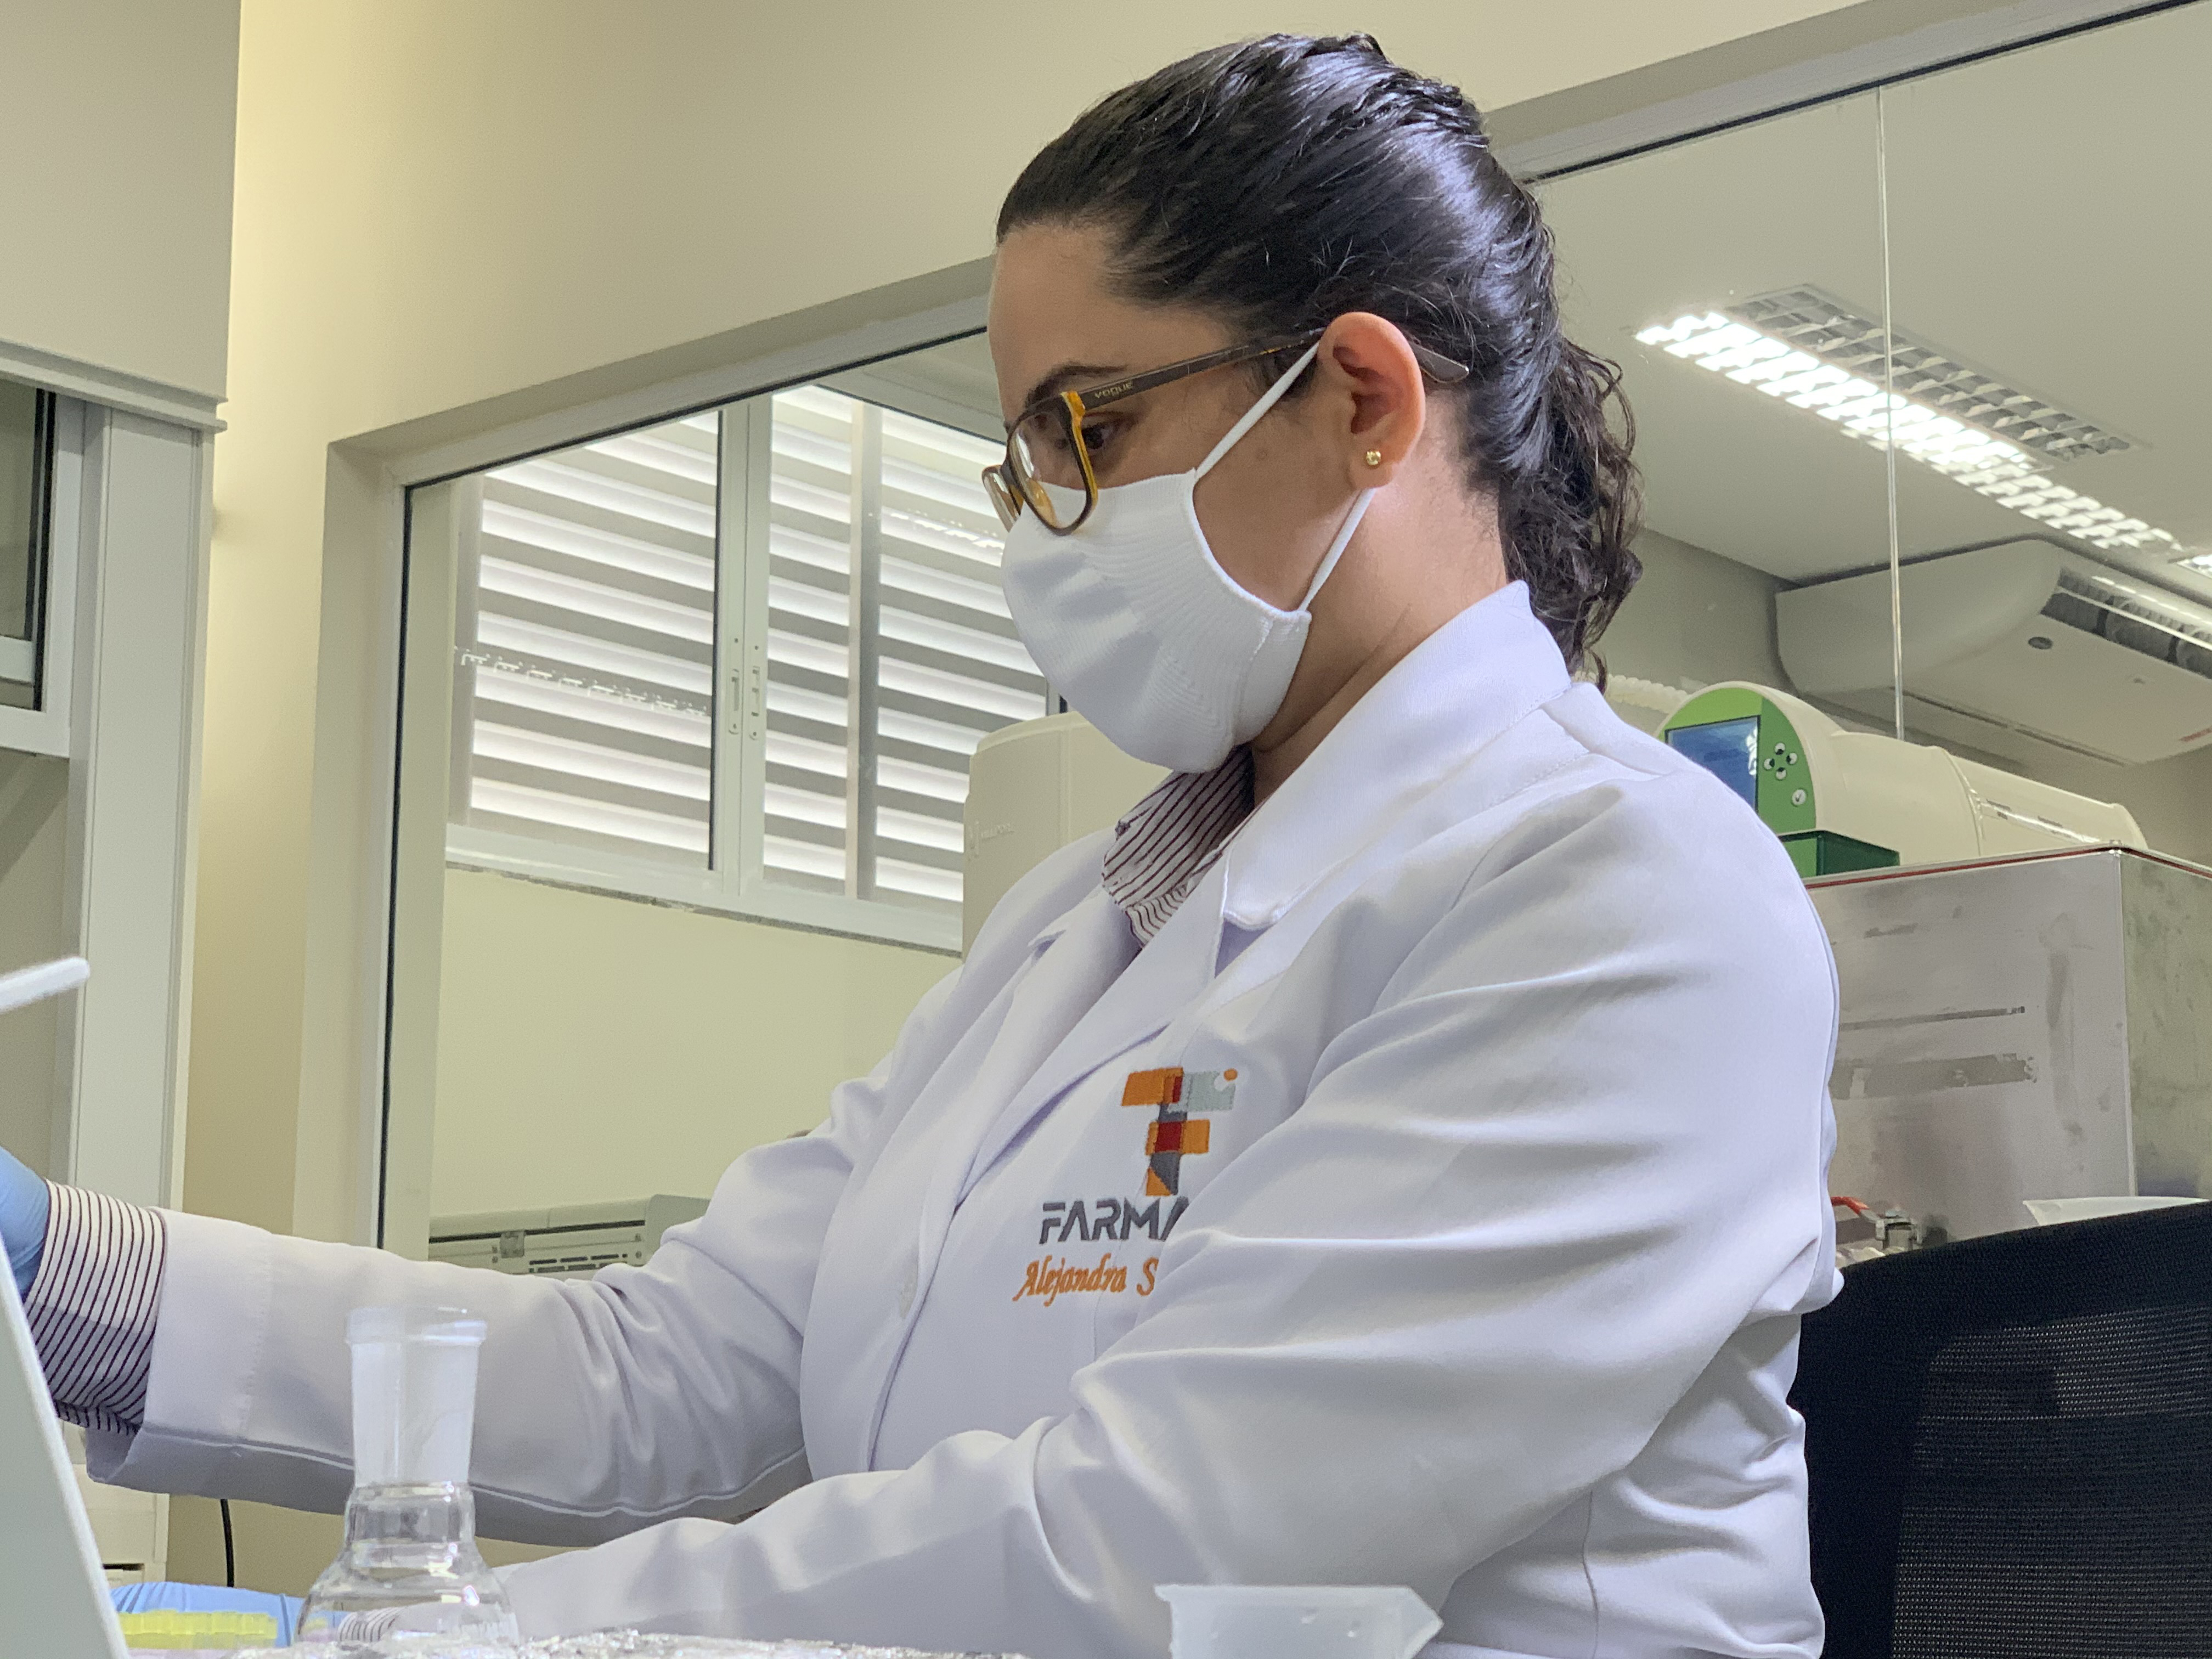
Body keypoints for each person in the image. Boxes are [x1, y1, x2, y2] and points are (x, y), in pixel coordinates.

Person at [0, 35, 1839, 1659]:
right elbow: (669, 1371)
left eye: (1087, 429)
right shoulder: (1081, 926)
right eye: (1022, 456)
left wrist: (425, 1638)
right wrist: (56, 1273)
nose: (1041, 522)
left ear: (1361, 400)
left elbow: (1151, 1542)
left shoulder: (1623, 898)